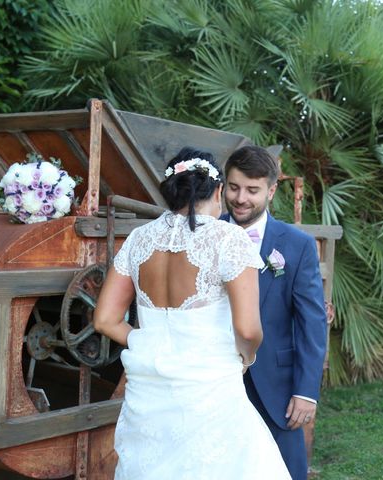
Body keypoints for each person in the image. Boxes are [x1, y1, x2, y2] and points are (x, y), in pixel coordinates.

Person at [93, 147, 291, 479]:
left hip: (149, 389)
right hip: (210, 387)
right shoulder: (229, 238)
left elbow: (104, 320)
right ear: (217, 191)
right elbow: (247, 330)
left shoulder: (139, 240)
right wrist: (246, 357)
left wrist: (149, 343)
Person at [221, 145, 327, 480]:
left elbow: (312, 322)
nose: (241, 199)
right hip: (214, 380)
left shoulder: (297, 244)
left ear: (271, 190)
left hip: (276, 387)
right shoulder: (205, 233)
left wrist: (306, 390)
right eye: (234, 188)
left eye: (252, 191)